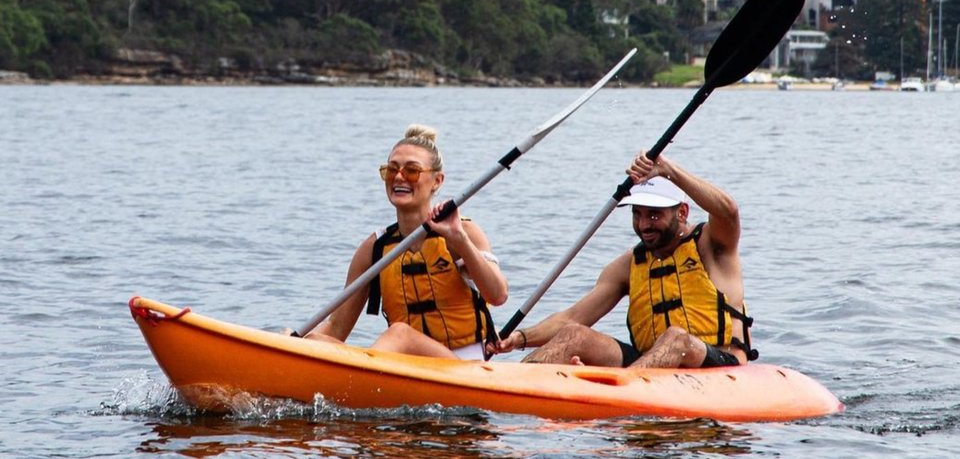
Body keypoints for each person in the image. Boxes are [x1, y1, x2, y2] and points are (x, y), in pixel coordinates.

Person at [490, 151, 756, 368]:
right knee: (574, 335)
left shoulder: (712, 246)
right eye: (637, 214)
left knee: (675, 339)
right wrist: (519, 338)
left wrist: (668, 170)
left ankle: (621, 387)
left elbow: (728, 211)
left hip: (719, 362)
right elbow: (573, 317)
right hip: (649, 365)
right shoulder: (629, 264)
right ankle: (508, 386)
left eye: (654, 215)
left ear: (682, 212)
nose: (643, 225)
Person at [302, 124, 508, 360]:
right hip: (407, 367)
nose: (399, 177)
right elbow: (337, 328)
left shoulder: (462, 232)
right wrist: (294, 345)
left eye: (412, 171)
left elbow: (498, 295)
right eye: (391, 170)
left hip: (463, 366)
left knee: (399, 334)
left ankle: (365, 382)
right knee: (313, 340)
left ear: (437, 181)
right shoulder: (375, 248)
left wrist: (459, 239)